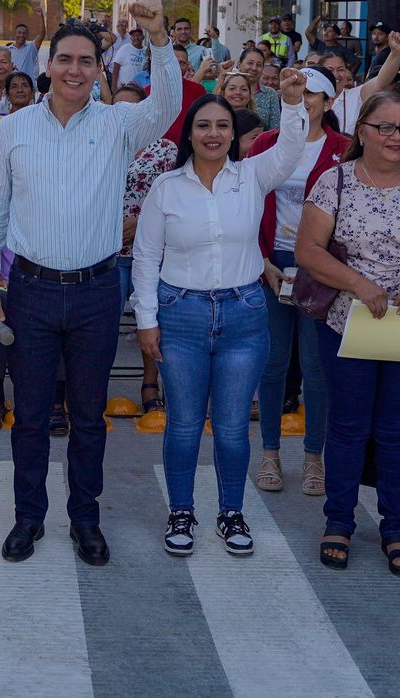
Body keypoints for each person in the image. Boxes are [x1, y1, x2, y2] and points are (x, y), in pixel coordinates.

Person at [0, 0, 180, 567]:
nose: (74, 70)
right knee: (32, 416)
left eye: (86, 61)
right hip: (31, 292)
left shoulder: (120, 125)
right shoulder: (13, 129)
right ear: (48, 65)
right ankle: (29, 517)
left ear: (99, 68)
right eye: (64, 59)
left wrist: (157, 37)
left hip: (96, 290)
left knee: (90, 418)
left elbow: (167, 105)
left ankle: (85, 520)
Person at [134, 69, 309, 556]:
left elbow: (291, 150)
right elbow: (146, 257)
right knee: (185, 424)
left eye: (223, 126)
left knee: (233, 427)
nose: (214, 134)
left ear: (234, 134)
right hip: (180, 314)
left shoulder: (252, 175)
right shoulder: (167, 188)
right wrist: (147, 319)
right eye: (204, 126)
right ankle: (181, 512)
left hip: (243, 314)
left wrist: (292, 103)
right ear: (189, 133)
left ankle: (232, 512)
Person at [294, 92, 400, 577]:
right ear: (362, 132)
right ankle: (339, 522)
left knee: (397, 429)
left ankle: (396, 526)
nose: (396, 137)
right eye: (386, 127)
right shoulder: (337, 182)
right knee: (348, 426)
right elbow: (309, 250)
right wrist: (359, 284)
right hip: (351, 325)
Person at [251, 67, 351, 495]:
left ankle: (314, 458)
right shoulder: (266, 144)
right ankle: (270, 452)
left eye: (314, 93)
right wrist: (261, 261)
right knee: (273, 363)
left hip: (322, 267)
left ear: (329, 102)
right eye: (299, 91)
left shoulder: (344, 150)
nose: (305, 98)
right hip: (273, 264)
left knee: (316, 366)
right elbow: (248, 205)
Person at [115, 84, 175, 419]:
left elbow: (171, 196)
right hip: (107, 251)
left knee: (150, 318)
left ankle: (150, 384)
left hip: (149, 249)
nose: (124, 114)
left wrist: (139, 223)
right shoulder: (102, 143)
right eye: (117, 107)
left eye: (131, 108)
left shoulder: (165, 149)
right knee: (101, 323)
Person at [9, 16, 46, 80]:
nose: (21, 35)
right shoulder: (7, 50)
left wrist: (41, 16)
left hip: (28, 86)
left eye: (24, 33)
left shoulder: (31, 48)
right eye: (19, 33)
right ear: (14, 34)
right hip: (13, 85)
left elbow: (42, 34)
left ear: (27, 35)